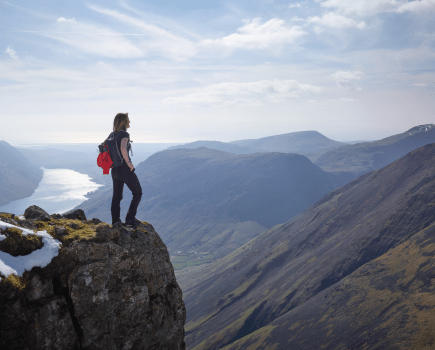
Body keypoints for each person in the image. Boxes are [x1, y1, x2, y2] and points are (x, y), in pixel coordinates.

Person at [110, 113, 143, 229]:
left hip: (114, 170)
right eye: (128, 120)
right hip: (124, 169)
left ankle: (116, 221)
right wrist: (129, 164)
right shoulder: (124, 134)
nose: (130, 122)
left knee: (117, 197)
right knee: (137, 192)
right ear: (124, 122)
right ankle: (130, 219)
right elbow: (123, 149)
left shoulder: (112, 135)